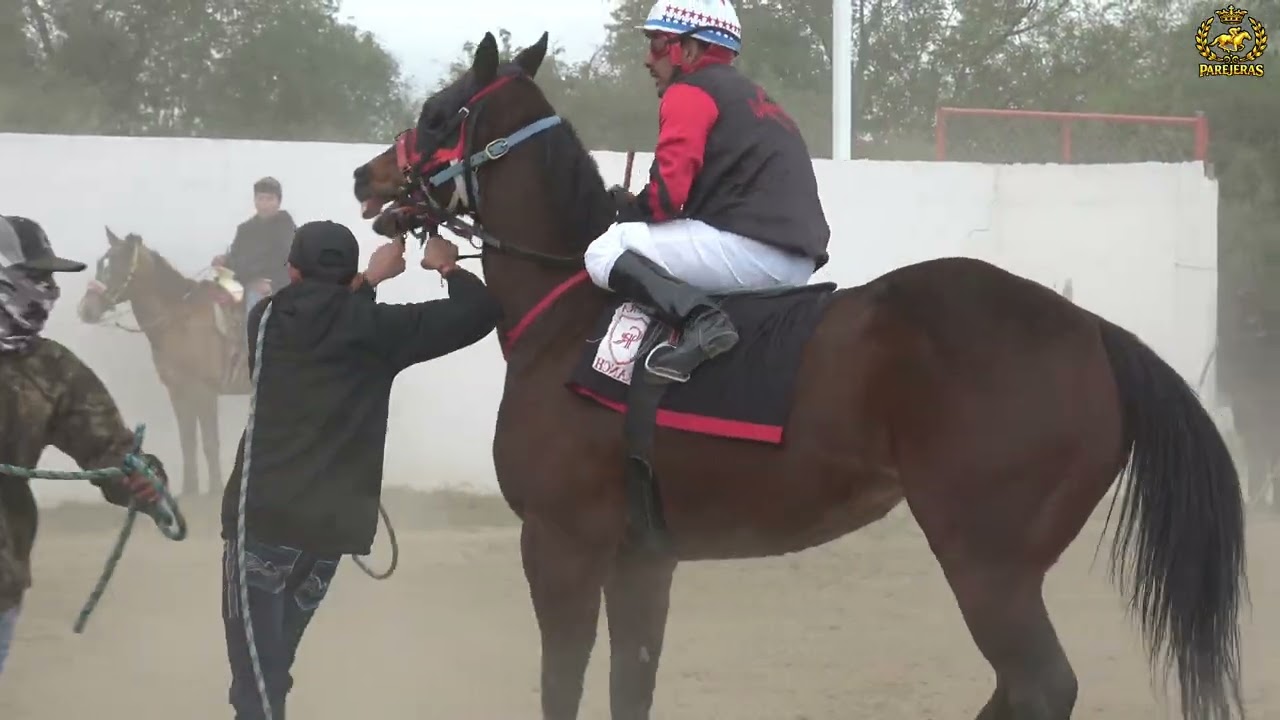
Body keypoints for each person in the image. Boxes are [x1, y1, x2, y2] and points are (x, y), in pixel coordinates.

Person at [218, 221, 501, 719]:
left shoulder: (265, 318)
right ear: (349, 271)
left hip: (262, 520)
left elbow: (319, 315)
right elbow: (478, 314)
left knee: (256, 680)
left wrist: (369, 282)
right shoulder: (379, 332)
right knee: (274, 668)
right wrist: (447, 267)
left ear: (291, 269)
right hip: (328, 531)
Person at [582, 0, 831, 384]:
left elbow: (666, 199)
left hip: (751, 250)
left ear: (690, 48)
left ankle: (703, 320)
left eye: (657, 43)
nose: (649, 59)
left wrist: (626, 215)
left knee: (605, 248)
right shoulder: (753, 96)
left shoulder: (689, 92)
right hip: (793, 260)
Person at [0, 215, 165, 675]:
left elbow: (110, 449)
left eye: (50, 277)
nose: (48, 288)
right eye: (35, 276)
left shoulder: (52, 369)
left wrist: (142, 478)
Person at [213, 177, 297, 320]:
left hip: (273, 287)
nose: (264, 204)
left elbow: (287, 264)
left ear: (278, 201)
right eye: (260, 198)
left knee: (257, 300)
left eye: (269, 199)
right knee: (209, 294)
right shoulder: (245, 229)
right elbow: (236, 257)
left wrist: (272, 284)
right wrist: (224, 261)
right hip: (243, 281)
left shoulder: (286, 229)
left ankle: (252, 341)